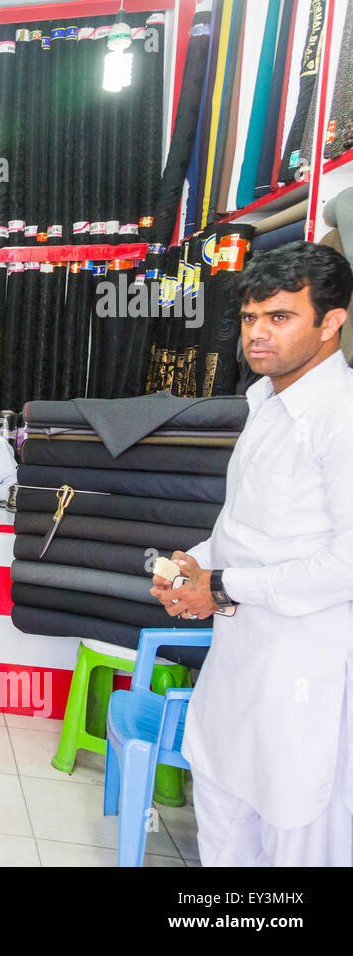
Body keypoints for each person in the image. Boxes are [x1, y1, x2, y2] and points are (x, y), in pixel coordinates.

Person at [151, 241, 353, 866]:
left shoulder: (339, 417)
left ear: (332, 320)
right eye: (249, 318)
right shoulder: (265, 404)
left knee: (294, 835)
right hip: (240, 662)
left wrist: (224, 585)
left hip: (303, 672)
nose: (257, 335)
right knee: (222, 817)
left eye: (280, 317)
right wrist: (195, 565)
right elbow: (248, 525)